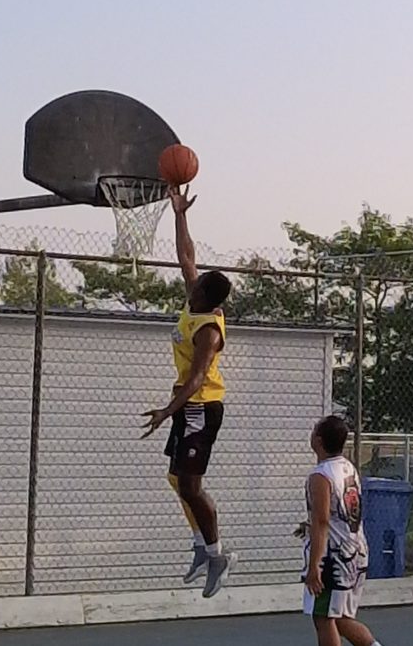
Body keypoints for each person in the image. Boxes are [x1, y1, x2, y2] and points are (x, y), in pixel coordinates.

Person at [141, 183, 236, 598]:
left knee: (191, 486)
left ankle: (218, 554)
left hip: (201, 405)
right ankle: (202, 546)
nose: (189, 284)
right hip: (188, 405)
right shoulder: (195, 301)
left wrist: (166, 410)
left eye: (196, 287)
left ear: (206, 297)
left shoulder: (208, 331)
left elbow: (197, 379)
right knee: (176, 478)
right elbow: (186, 256)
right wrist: (179, 213)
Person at [300, 416, 383, 646]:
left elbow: (322, 520)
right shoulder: (349, 468)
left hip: (333, 557)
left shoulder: (321, 475)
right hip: (356, 549)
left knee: (323, 617)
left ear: (318, 440)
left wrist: (315, 565)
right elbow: (343, 512)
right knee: (341, 618)